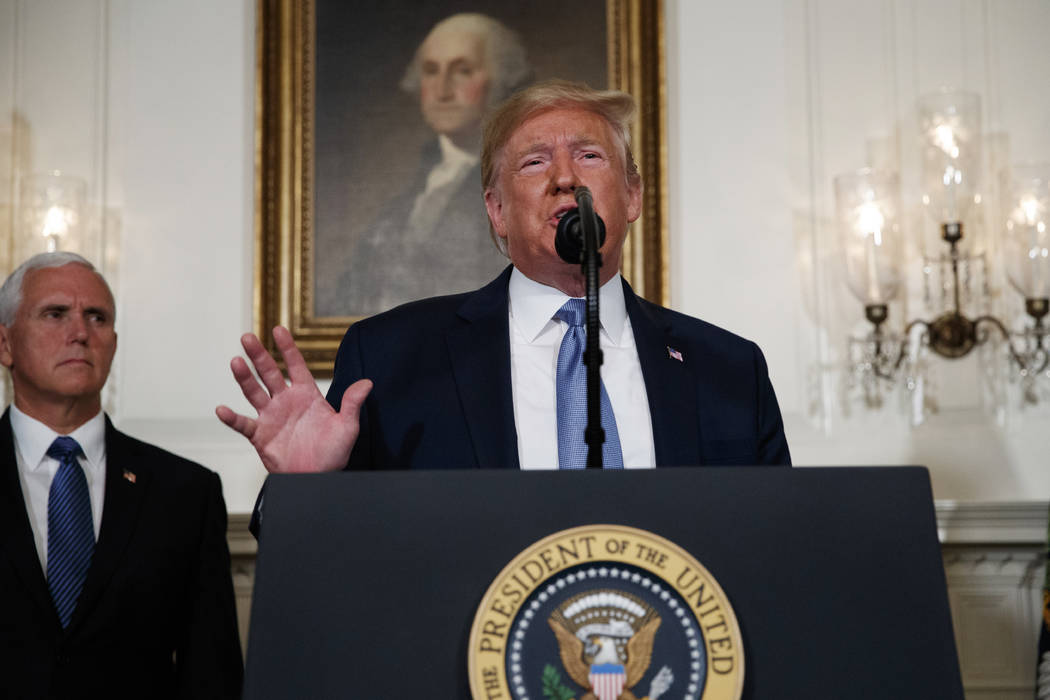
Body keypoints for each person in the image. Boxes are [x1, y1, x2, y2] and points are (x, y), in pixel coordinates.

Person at [220, 79, 789, 506]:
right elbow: (338, 575)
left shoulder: (730, 370)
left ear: (633, 195)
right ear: (496, 210)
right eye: (535, 162)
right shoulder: (392, 360)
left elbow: (777, 552)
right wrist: (303, 492)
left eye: (589, 156)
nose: (565, 177)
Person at [0, 253, 243, 698]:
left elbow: (211, 670)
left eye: (97, 317)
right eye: (55, 314)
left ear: (113, 341)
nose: (80, 333)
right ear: (5, 345)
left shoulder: (185, 493)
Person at [335, 12, 534, 315]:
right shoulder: (406, 197)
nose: (442, 90)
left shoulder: (524, 188)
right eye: (431, 71)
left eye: (462, 70)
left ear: (501, 79)